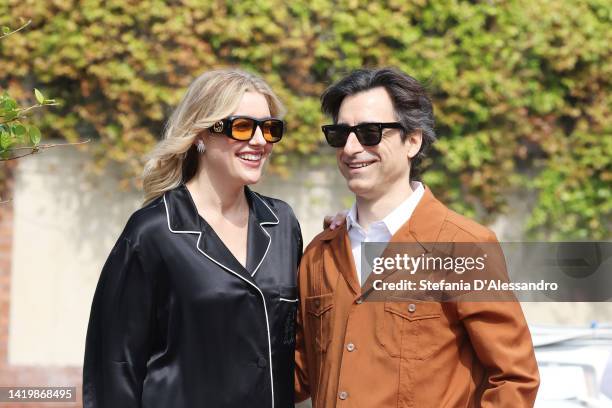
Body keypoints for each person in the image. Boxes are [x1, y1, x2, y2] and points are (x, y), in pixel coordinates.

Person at [294, 67, 540, 407]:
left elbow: (514, 377)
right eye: (340, 133)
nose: (351, 147)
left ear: (413, 140)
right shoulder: (319, 255)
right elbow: (297, 372)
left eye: (369, 132)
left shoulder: (462, 245)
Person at [83, 68, 303, 407]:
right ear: (200, 134)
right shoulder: (153, 232)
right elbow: (114, 368)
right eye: (242, 126)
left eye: (270, 129)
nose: (260, 141)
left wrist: (349, 230)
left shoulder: (282, 223)